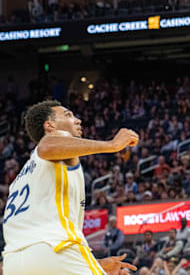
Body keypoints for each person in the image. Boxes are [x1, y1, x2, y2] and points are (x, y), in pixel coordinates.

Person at [2, 100, 138, 275]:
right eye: (68, 115)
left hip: (15, 263)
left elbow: (39, 245)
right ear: (49, 125)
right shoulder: (55, 141)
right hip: (56, 250)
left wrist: (94, 264)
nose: (77, 120)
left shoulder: (21, 178)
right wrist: (112, 145)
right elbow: (46, 145)